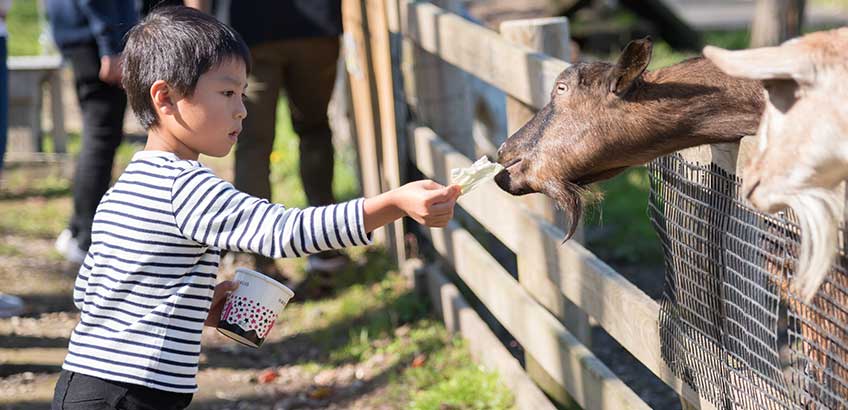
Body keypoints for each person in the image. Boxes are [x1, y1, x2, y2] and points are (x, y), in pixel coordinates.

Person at [51, 7, 459, 409]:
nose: (241, 109)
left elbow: (92, 290)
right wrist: (392, 204)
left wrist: (190, 308)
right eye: (227, 93)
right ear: (166, 98)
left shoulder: (127, 186)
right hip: (130, 393)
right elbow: (286, 232)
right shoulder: (185, 187)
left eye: (242, 94)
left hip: (86, 381)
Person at [187, 0, 351, 282]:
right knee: (314, 130)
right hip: (315, 26)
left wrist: (198, 31)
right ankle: (326, 248)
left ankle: (258, 259)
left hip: (249, 29)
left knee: (253, 143)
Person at [46, 0, 138, 264]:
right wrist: (110, 45)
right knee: (101, 138)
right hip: (98, 41)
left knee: (97, 136)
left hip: (84, 34)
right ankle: (86, 238)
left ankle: (76, 228)